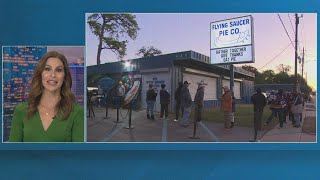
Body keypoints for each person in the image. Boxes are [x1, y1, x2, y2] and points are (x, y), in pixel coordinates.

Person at [9, 51, 84, 142]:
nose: (53, 75)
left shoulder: (76, 113)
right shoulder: (21, 110)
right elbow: (14, 154)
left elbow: (78, 155)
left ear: (64, 77)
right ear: (40, 74)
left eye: (59, 70)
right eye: (47, 69)